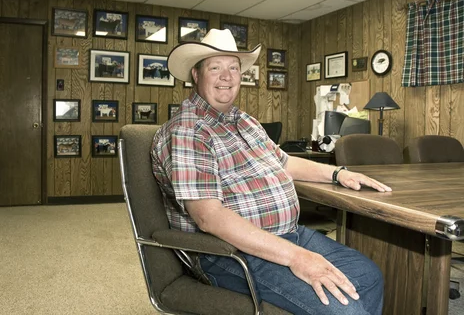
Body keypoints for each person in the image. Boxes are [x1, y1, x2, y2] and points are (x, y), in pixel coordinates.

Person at [151, 29, 392, 315]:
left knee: (368, 276)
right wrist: (297, 257)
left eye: (233, 68)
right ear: (196, 74)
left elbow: (285, 163)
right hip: (227, 252)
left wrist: (337, 174)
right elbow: (209, 217)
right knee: (344, 308)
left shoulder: (245, 121)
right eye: (215, 68)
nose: (226, 77)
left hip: (286, 234)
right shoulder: (187, 130)